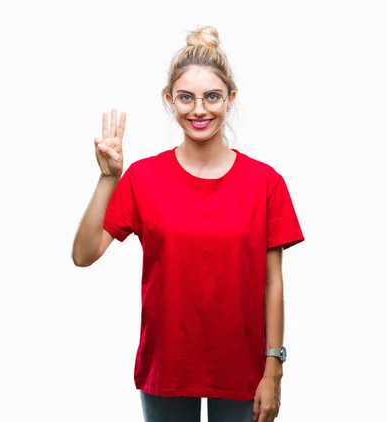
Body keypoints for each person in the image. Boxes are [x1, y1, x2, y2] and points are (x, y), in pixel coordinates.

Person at [72, 26, 304, 422]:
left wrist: (274, 368)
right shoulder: (143, 179)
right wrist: (109, 178)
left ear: (230, 99)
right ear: (169, 100)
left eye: (212, 96)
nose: (199, 110)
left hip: (242, 369)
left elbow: (273, 282)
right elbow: (84, 254)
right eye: (186, 97)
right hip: (167, 366)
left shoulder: (265, 182)